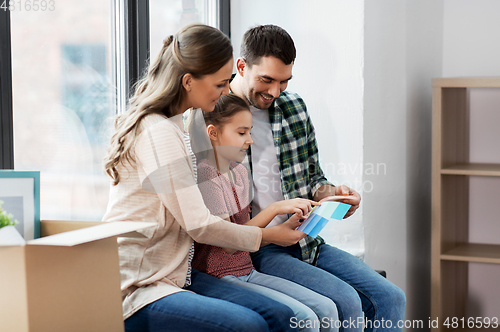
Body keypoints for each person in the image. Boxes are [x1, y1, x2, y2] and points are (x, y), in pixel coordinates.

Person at [102, 23, 309, 332]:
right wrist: (267, 236)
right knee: (249, 324)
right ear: (189, 81)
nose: (227, 91)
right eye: (220, 84)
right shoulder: (159, 132)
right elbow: (200, 225)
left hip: (169, 279)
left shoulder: (171, 126)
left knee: (275, 317)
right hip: (140, 288)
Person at [229, 24, 407, 332]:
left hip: (305, 238)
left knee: (391, 297)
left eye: (284, 81)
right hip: (257, 247)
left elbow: (314, 177)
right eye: (266, 80)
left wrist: (332, 194)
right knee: (346, 301)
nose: (274, 92)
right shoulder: (216, 116)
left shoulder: (294, 107)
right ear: (242, 66)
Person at [188, 94, 339, 332]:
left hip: (247, 270)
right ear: (213, 133)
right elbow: (229, 242)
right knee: (305, 318)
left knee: (326, 308)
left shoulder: (239, 172)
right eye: (241, 133)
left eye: (250, 132)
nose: (249, 140)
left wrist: (289, 222)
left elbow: (247, 227)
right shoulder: (206, 175)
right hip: (218, 275)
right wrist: (275, 208)